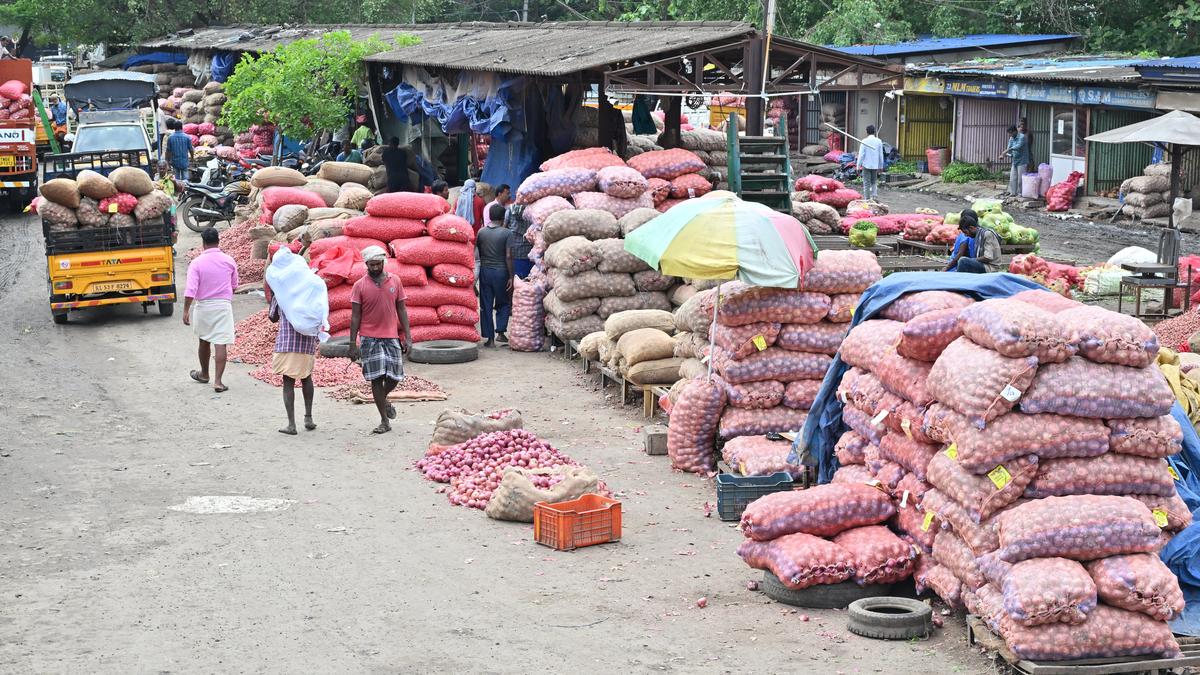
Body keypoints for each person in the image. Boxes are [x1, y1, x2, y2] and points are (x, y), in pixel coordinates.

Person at [348, 246, 412, 434]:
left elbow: (402, 309)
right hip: (369, 337)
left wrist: (408, 336)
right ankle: (384, 421)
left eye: (378, 264)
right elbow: (355, 316)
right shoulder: (359, 285)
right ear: (366, 264)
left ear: (384, 262)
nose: (375, 268)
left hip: (391, 335)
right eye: (371, 265)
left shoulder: (396, 281)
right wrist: (353, 343)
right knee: (376, 378)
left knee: (395, 376)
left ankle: (382, 399)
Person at [183, 227, 238, 392]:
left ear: (203, 243)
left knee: (204, 340)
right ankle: (218, 381)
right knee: (221, 343)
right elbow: (234, 286)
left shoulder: (196, 263)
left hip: (204, 306)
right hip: (222, 305)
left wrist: (186, 311)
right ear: (218, 241)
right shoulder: (229, 260)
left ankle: (204, 374)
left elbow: (190, 290)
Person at [477, 203, 514, 346]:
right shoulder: (507, 233)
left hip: (485, 271)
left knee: (485, 304)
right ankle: (501, 332)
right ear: (502, 216)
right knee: (503, 302)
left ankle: (490, 338)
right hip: (501, 272)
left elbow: (478, 252)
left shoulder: (481, 232)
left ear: (490, 216)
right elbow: (509, 256)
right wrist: (511, 276)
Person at [506, 203, 534, 279]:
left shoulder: (509, 210)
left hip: (513, 251)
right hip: (528, 252)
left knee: (516, 280)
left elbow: (504, 227)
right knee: (528, 281)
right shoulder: (533, 210)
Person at [856, 124, 885, 201]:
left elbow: (861, 155)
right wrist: (881, 166)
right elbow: (880, 155)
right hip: (875, 165)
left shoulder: (864, 141)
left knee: (866, 183)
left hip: (866, 165)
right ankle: (874, 197)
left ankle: (867, 199)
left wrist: (858, 166)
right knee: (874, 181)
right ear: (874, 132)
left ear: (867, 132)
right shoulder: (879, 141)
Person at [1001, 125, 1029, 197]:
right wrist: (1004, 155)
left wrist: (1007, 150)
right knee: (1013, 178)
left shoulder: (1022, 137)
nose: (1010, 135)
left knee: (1020, 179)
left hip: (1022, 161)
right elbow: (1009, 148)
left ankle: (1020, 193)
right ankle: (1013, 193)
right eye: (1009, 134)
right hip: (1015, 160)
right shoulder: (1011, 138)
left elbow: (1018, 146)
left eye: (1011, 133)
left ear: (1015, 131)